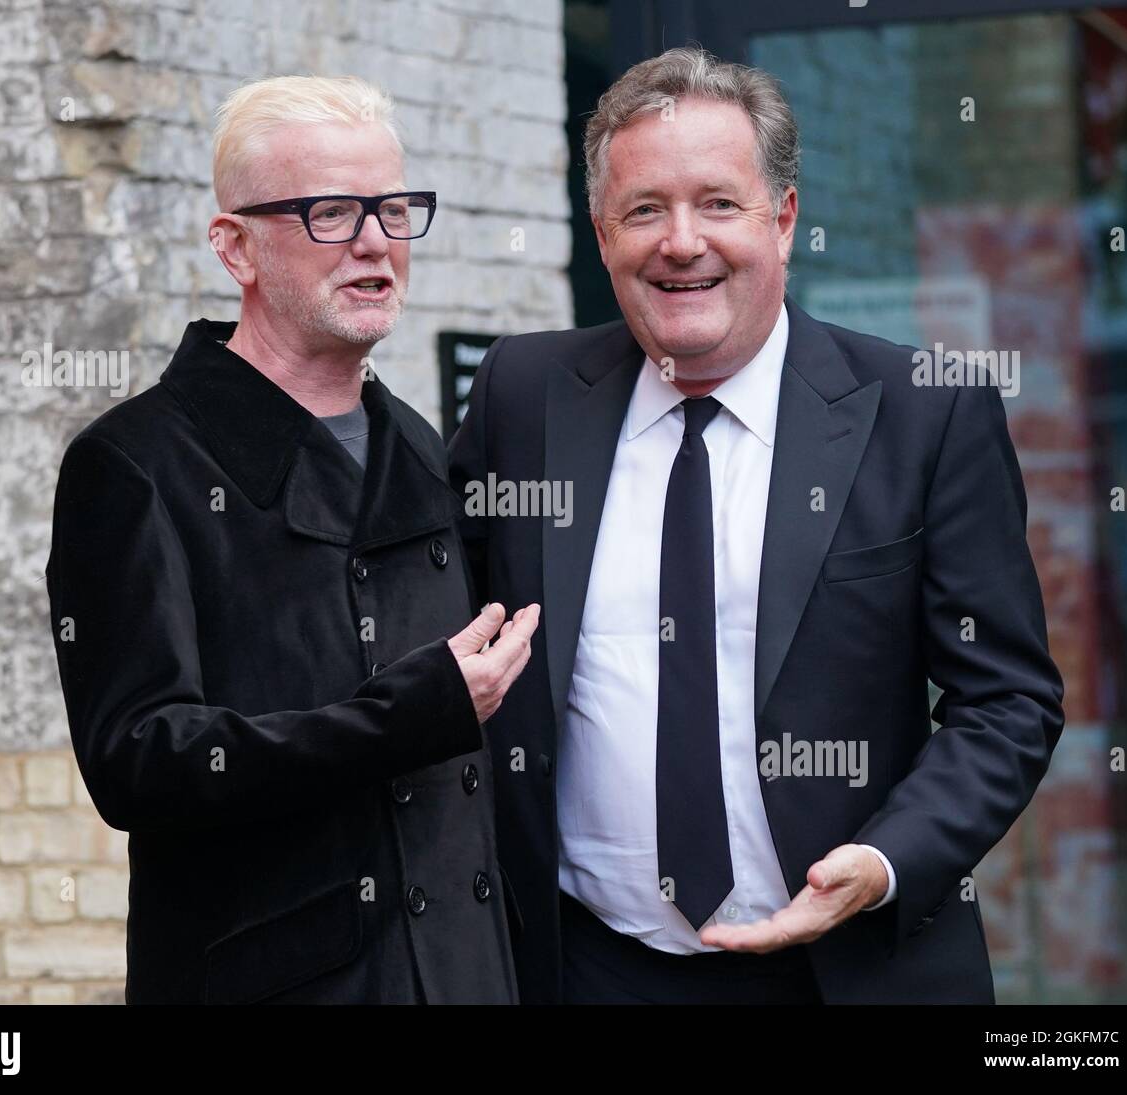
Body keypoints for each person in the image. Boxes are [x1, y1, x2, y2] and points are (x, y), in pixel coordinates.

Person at [448, 47, 1064, 1004]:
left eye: (718, 204)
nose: (680, 241)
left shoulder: (921, 411)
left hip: (848, 968)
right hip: (586, 968)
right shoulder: (522, 396)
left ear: (783, 219)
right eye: (643, 208)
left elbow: (1009, 699)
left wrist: (886, 858)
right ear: (602, 233)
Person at [47, 74, 538, 1004]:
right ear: (235, 246)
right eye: (329, 213)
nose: (374, 243)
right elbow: (139, 761)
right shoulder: (135, 464)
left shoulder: (420, 446)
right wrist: (407, 715)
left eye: (393, 210)